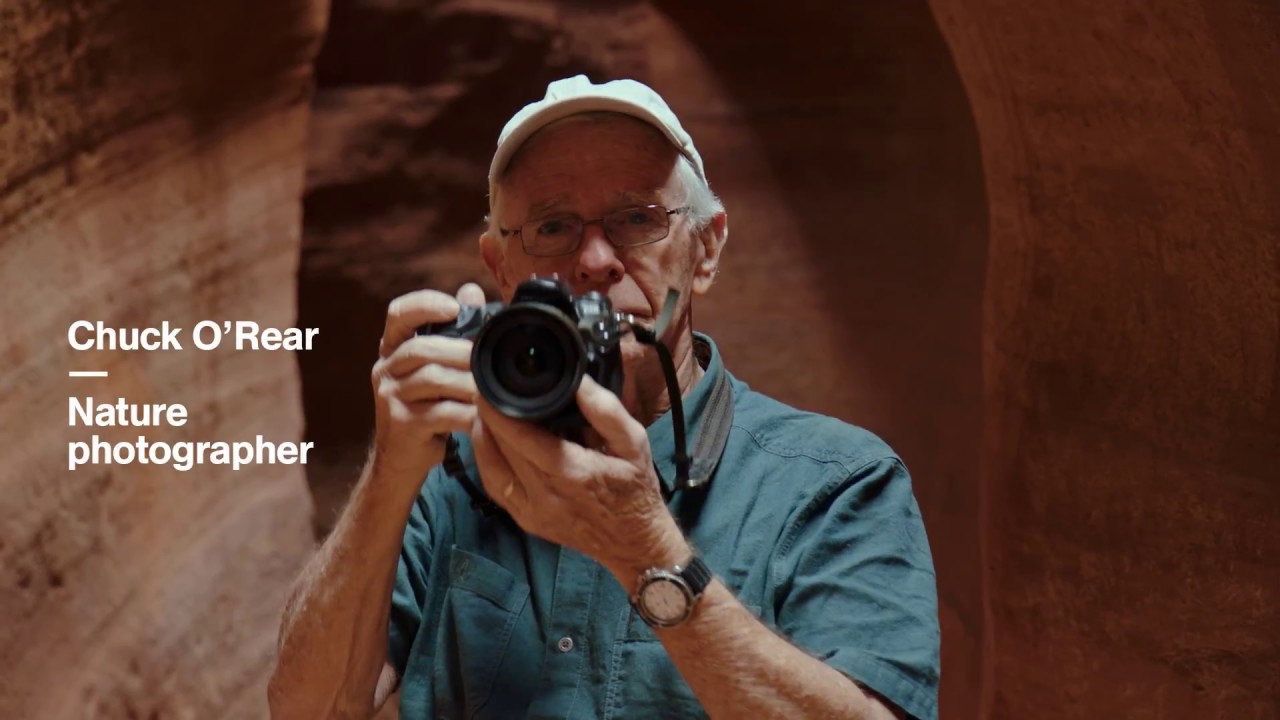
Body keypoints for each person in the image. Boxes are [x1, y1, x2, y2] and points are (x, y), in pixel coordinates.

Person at [269, 75, 940, 720]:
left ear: (706, 249)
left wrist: (644, 548)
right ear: (501, 269)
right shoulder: (450, 471)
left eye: (636, 218)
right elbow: (309, 710)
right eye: (551, 227)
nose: (593, 261)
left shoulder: (834, 483)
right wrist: (390, 473)